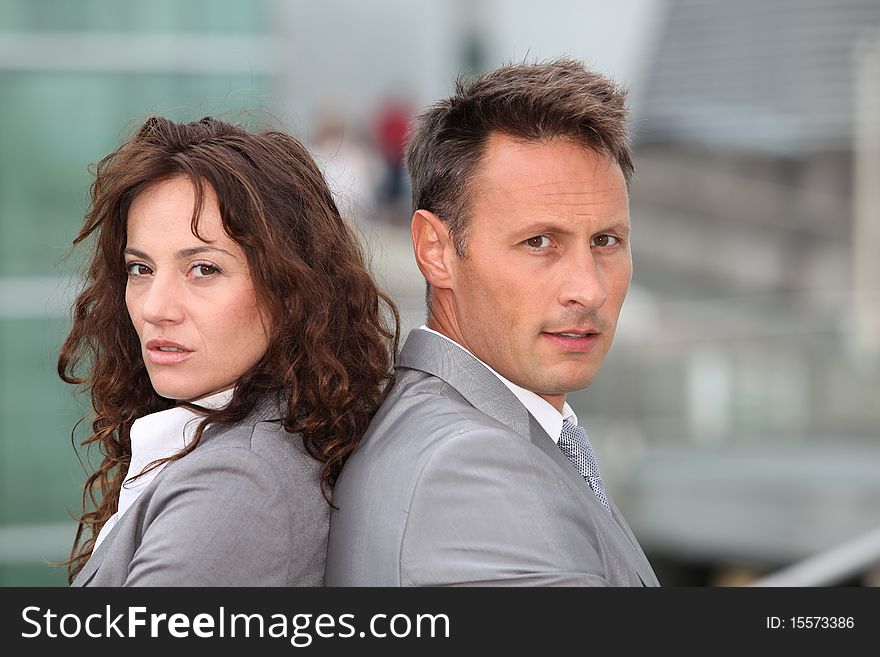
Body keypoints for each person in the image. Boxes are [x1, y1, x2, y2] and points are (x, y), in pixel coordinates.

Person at [326, 59, 659, 586]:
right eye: (539, 242)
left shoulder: (477, 433)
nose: (589, 289)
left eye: (606, 241)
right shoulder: (470, 468)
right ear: (435, 250)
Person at [58, 116, 398, 586]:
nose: (155, 308)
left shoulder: (239, 483)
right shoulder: (237, 440)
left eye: (203, 269)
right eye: (140, 268)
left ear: (290, 288)